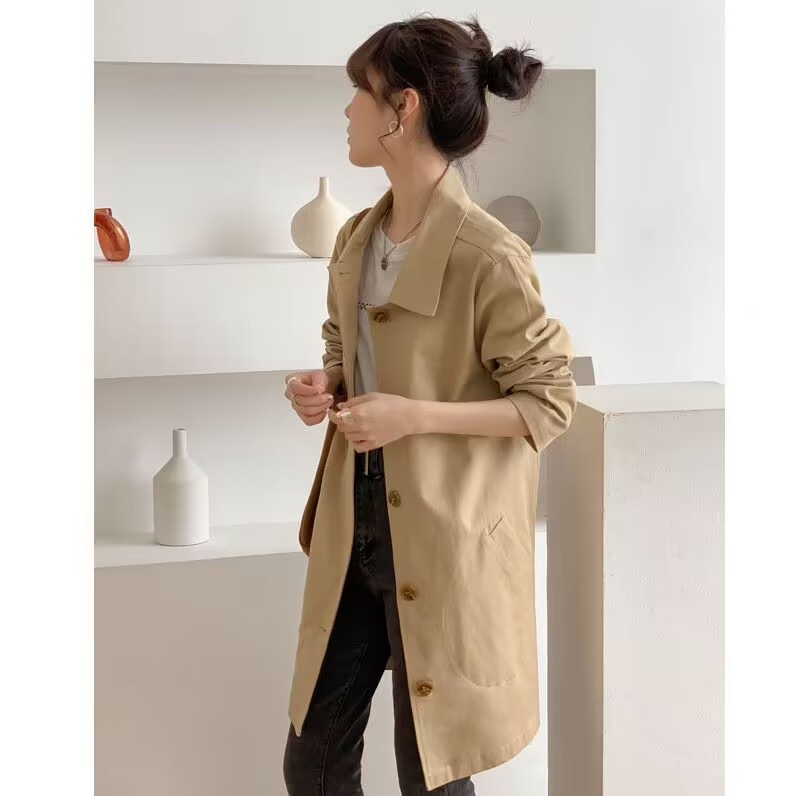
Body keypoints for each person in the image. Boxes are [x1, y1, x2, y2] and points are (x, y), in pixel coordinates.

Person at [282, 13, 577, 795]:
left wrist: (414, 415)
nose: (348, 108)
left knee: (433, 773)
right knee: (312, 762)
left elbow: (549, 401)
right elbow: (345, 344)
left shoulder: (488, 255)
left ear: (402, 109)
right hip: (354, 522)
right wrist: (327, 384)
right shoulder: (357, 238)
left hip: (443, 537)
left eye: (361, 91)